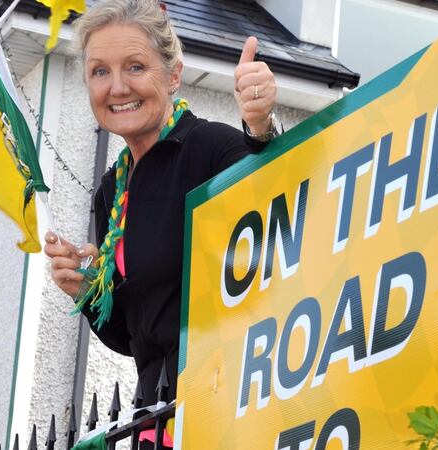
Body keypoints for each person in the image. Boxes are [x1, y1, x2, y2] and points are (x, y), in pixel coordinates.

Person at [43, 0, 279, 417]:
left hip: (224, 408)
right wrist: (87, 290)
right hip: (154, 415)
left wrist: (261, 126)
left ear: (173, 75)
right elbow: (137, 335)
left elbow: (279, 188)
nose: (117, 87)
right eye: (100, 71)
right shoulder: (111, 190)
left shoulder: (210, 148)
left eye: (135, 67)